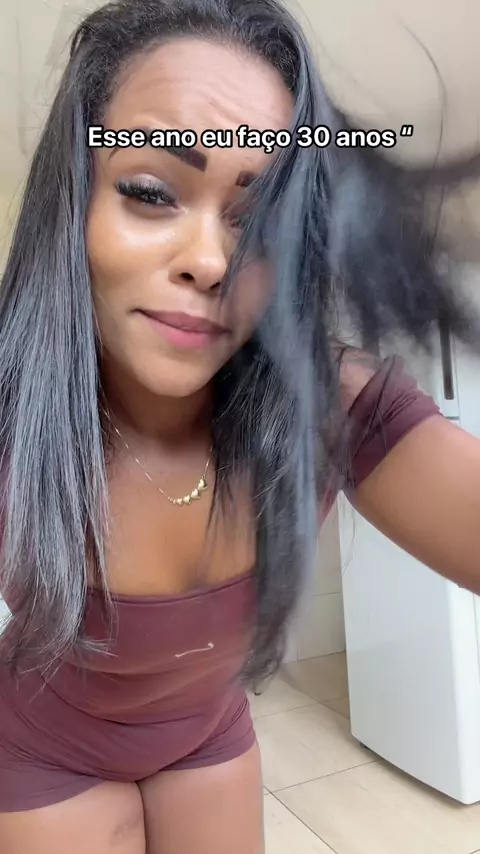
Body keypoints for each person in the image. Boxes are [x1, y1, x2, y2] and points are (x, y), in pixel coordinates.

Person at [0, 0, 479, 851]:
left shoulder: (332, 406)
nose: (211, 261)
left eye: (259, 222)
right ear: (72, 200)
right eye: (151, 192)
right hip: (43, 754)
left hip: (207, 738)